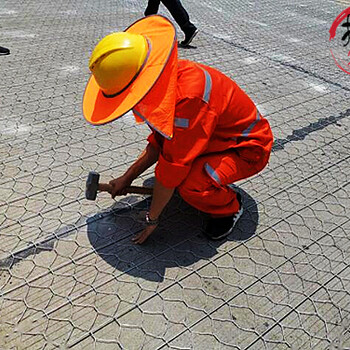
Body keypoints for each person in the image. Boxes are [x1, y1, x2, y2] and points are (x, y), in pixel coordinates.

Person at [83, 16, 273, 244]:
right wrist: (127, 177)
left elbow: (171, 167)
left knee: (190, 185)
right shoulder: (163, 80)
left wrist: (152, 219)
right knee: (173, 180)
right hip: (216, 140)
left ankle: (229, 207)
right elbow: (160, 142)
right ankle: (205, 185)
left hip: (247, 150)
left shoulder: (187, 102)